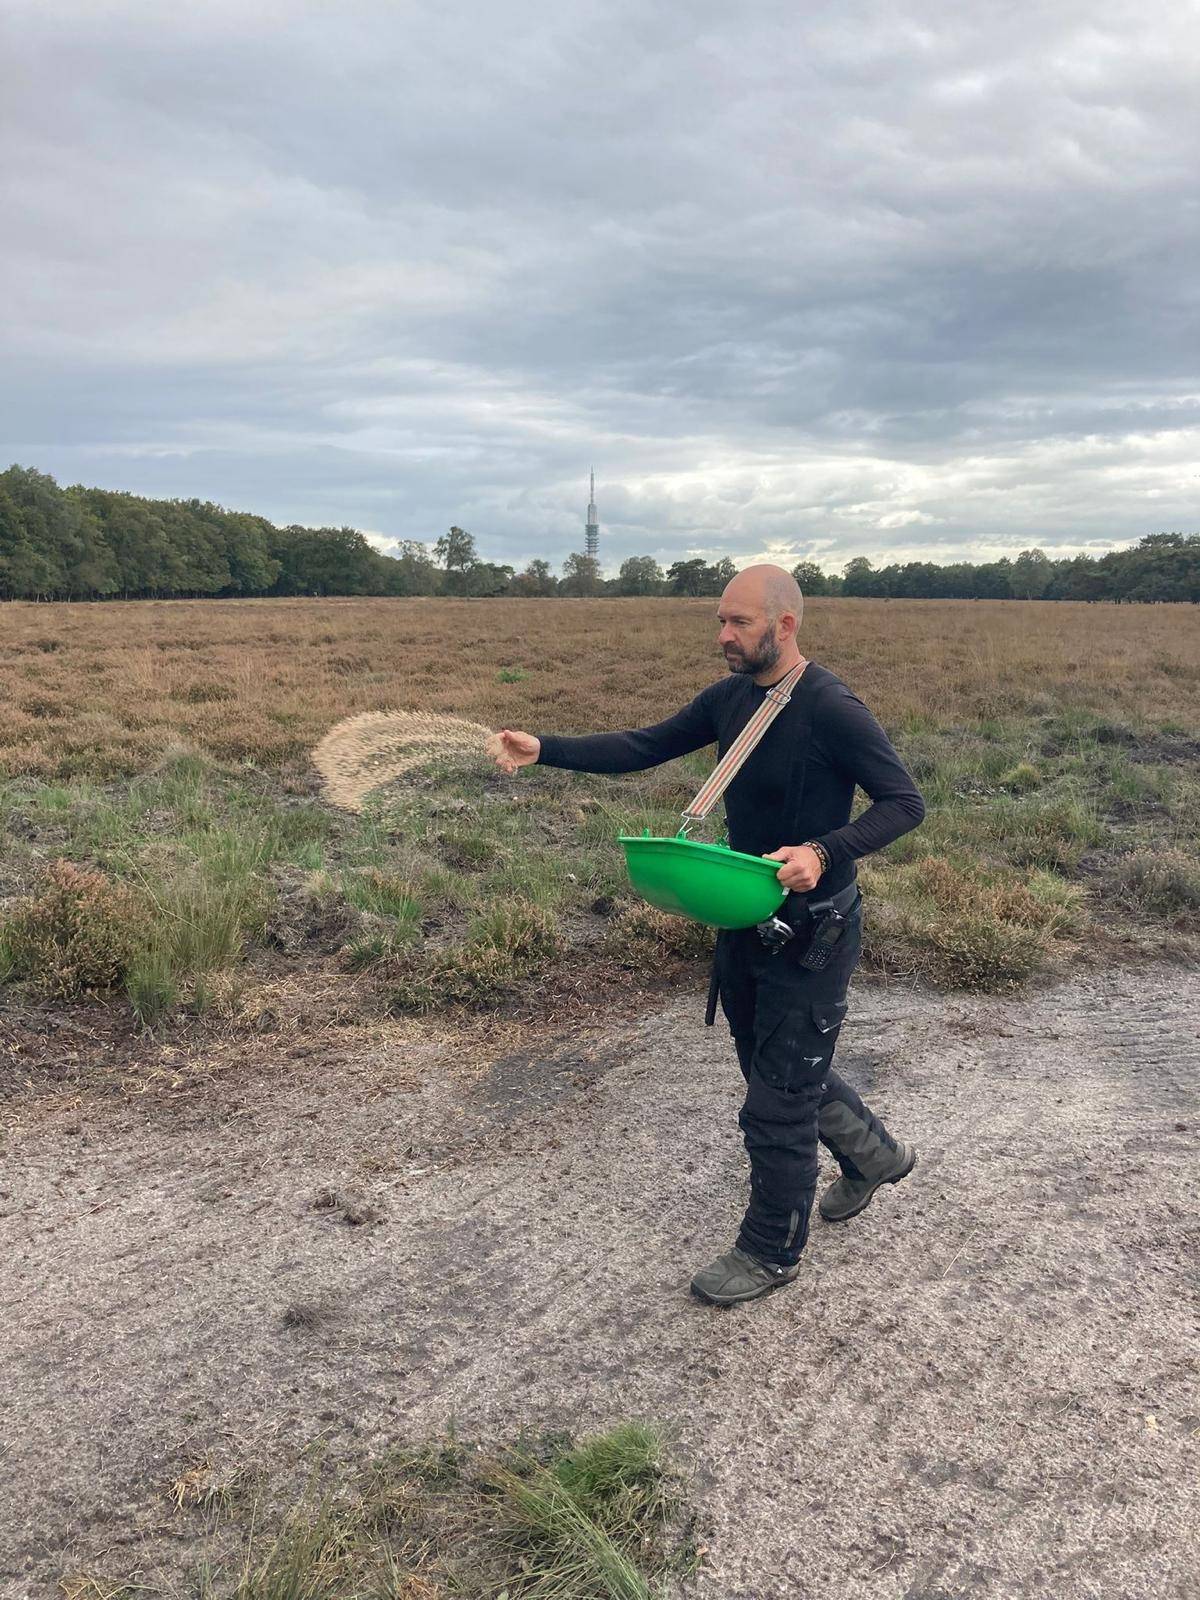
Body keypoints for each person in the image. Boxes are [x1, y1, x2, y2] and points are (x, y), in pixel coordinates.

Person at [486, 564, 926, 1307]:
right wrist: (545, 747)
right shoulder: (729, 700)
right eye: (720, 620)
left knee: (776, 1101)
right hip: (744, 915)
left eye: (740, 623)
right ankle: (873, 1155)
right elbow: (642, 745)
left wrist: (823, 852)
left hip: (813, 928)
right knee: (768, 1066)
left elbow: (904, 803)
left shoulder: (831, 708)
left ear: (785, 626)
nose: (723, 635)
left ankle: (771, 1251)